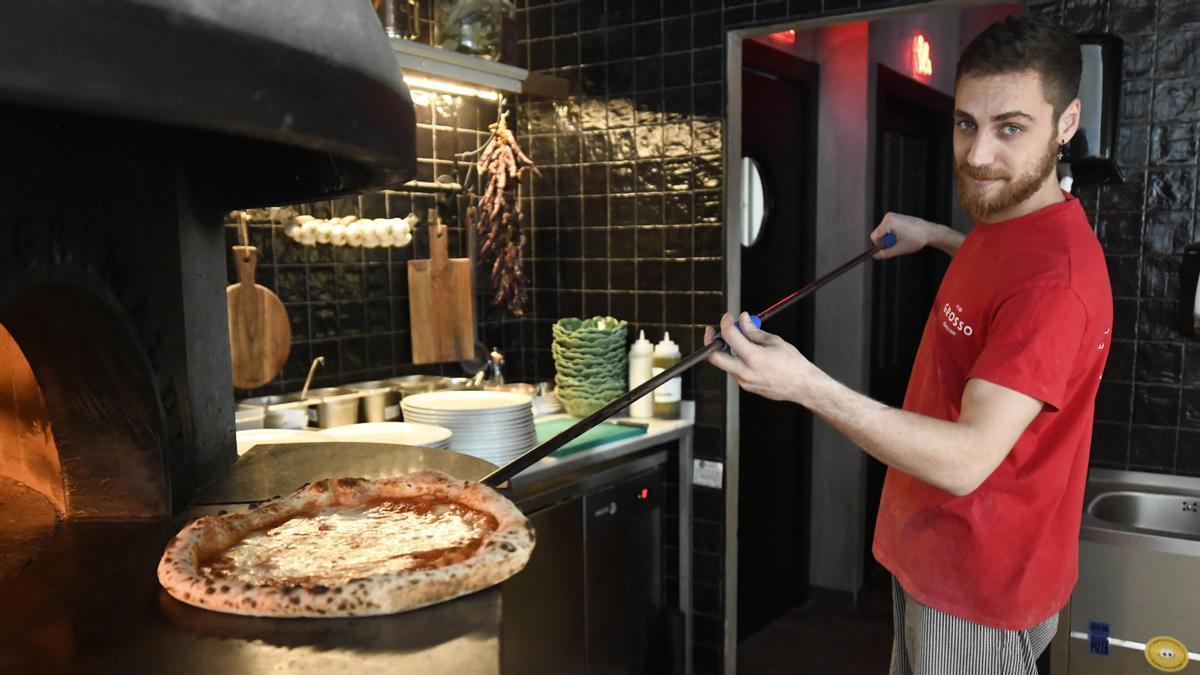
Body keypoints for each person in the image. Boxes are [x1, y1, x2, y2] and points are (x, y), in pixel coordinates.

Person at [706, 16, 1112, 675]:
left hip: (975, 583)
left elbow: (967, 459)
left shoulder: (1056, 282)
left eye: (1010, 127)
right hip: (935, 552)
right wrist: (936, 234)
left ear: (1066, 123)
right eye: (965, 123)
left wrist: (806, 384)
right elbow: (1004, 281)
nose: (978, 154)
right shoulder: (1011, 218)